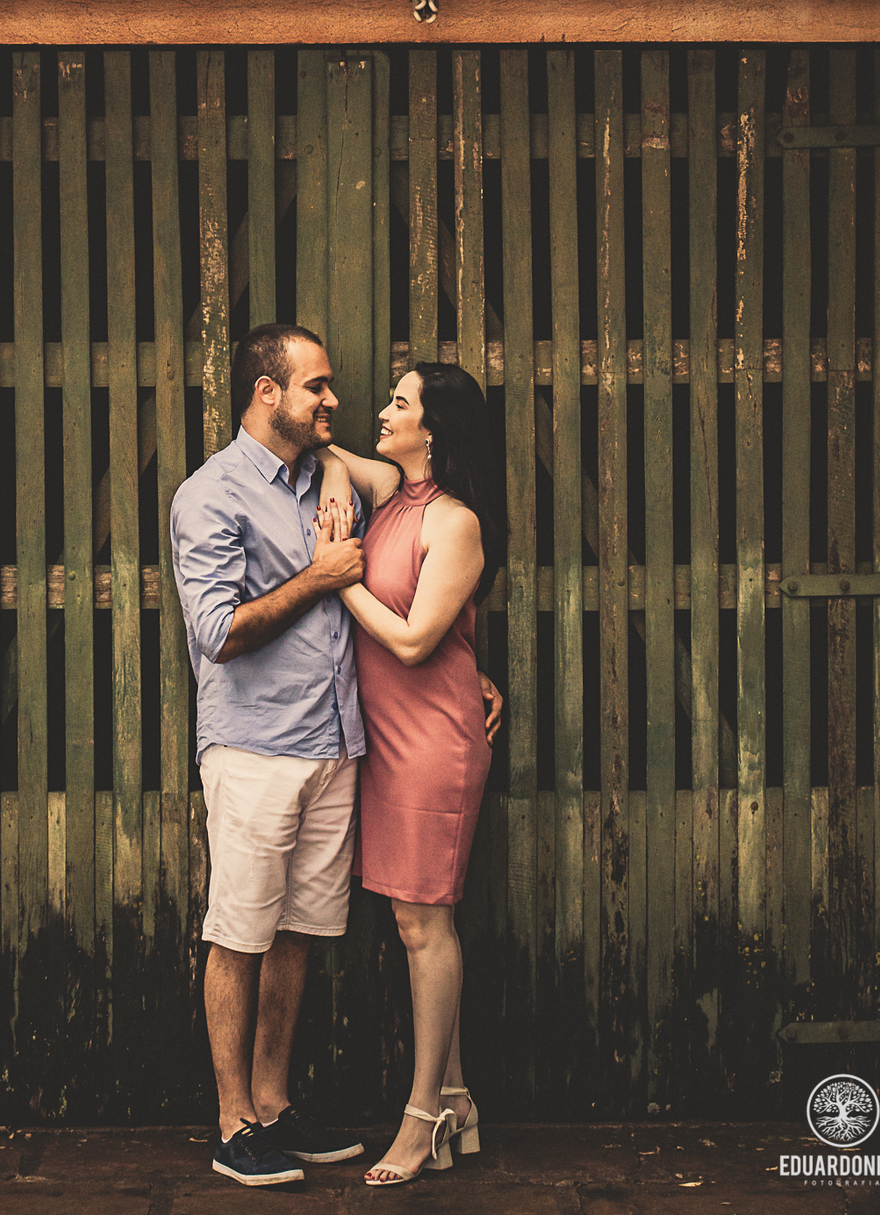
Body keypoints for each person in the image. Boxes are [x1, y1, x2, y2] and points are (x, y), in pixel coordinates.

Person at [171, 326, 503, 1189]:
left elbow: (421, 599)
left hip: (341, 743)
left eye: (343, 391)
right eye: (317, 387)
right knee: (239, 931)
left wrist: (472, 670)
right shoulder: (213, 493)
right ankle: (233, 1121)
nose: (337, 401)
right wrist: (324, 577)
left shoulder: (344, 480)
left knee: (302, 932)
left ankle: (276, 1107)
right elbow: (216, 631)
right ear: (266, 392)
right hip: (255, 743)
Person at [316, 361, 506, 1187]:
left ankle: (423, 1114)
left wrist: (338, 575)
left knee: (426, 926)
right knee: (411, 925)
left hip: (433, 744)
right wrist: (329, 466)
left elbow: (411, 640)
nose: (382, 412)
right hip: (386, 741)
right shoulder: (393, 490)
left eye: (399, 402)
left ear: (434, 428)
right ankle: (458, 1098)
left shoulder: (455, 521)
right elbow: (331, 454)